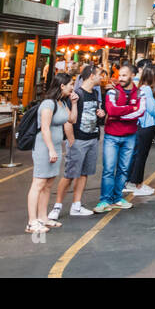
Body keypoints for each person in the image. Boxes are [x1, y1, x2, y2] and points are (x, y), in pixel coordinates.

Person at [49, 64, 103, 220]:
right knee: (70, 175)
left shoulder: (94, 94)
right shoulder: (76, 95)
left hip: (92, 139)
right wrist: (72, 141)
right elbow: (68, 120)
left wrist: (101, 113)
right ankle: (57, 206)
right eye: (99, 74)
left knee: (85, 173)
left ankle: (76, 205)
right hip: (78, 140)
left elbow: (95, 114)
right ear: (91, 76)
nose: (101, 77)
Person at [26, 74, 73, 234]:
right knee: (38, 183)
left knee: (48, 184)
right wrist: (51, 149)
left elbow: (72, 119)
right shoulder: (48, 103)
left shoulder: (62, 102)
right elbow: (44, 128)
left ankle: (43, 217)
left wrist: (74, 103)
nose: (72, 87)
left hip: (56, 146)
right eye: (70, 84)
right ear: (62, 86)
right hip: (44, 147)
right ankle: (32, 222)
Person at [94, 65, 143, 213]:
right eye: (119, 75)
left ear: (132, 75)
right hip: (111, 136)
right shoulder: (112, 91)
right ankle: (105, 200)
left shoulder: (140, 93)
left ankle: (117, 198)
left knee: (123, 169)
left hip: (130, 136)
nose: (120, 78)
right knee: (109, 169)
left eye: (124, 75)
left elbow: (140, 112)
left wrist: (120, 114)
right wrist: (130, 109)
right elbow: (111, 110)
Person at [126, 65, 155, 195]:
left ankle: (132, 182)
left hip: (141, 124)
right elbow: (152, 108)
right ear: (152, 75)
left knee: (137, 154)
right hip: (146, 125)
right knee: (142, 155)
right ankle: (137, 184)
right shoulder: (146, 89)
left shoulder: (141, 88)